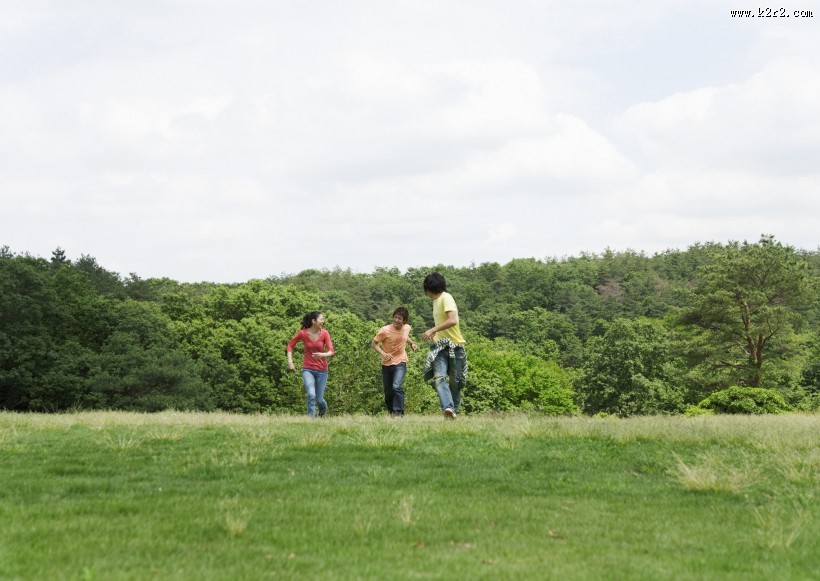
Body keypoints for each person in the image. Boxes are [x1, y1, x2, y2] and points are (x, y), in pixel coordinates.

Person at [420, 272, 467, 419]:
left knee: (455, 382)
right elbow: (443, 324)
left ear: (430, 288)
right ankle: (448, 408)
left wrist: (432, 329)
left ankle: (453, 411)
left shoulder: (446, 297)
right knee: (439, 377)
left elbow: (452, 320)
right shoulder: (436, 301)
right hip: (440, 347)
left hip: (455, 346)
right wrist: (435, 335)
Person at [372, 306, 419, 416]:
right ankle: (391, 413)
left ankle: (398, 414)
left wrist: (412, 343)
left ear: (404, 321)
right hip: (386, 364)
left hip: (400, 361)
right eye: (395, 317)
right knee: (388, 392)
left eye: (400, 318)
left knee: (396, 387)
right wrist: (383, 354)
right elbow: (374, 344)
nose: (397, 320)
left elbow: (405, 336)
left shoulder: (407, 328)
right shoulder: (385, 330)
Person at [287, 311, 335, 418]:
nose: (323, 321)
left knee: (319, 400)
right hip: (308, 369)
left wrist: (323, 354)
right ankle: (311, 420)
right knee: (311, 395)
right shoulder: (303, 333)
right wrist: (290, 362)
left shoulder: (325, 333)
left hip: (322, 370)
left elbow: (331, 351)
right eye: (321, 319)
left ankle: (322, 412)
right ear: (314, 321)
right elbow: (290, 345)